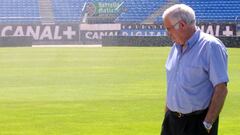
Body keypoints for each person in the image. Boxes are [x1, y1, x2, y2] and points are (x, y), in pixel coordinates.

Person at [160, 4, 229, 135]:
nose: (167, 34)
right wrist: (167, 115)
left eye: (169, 29)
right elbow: (173, 85)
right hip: (171, 122)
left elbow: (221, 88)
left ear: (182, 25)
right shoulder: (175, 48)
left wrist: (207, 124)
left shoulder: (210, 46)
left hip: (196, 123)